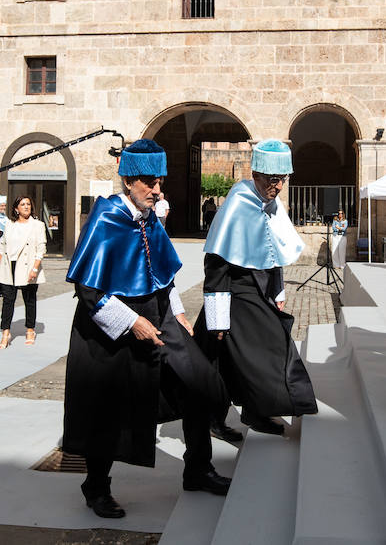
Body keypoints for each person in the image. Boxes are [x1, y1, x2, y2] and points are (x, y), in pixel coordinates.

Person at [62, 139, 230, 519]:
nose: (157, 191)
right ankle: (96, 487)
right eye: (149, 183)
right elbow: (88, 290)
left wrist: (178, 314)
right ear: (128, 182)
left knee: (198, 384)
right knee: (109, 408)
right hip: (111, 327)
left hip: (159, 318)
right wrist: (131, 322)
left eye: (160, 183)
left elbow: (161, 276)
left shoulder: (151, 219)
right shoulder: (104, 219)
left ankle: (198, 468)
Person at [198, 139, 317, 435]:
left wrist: (278, 291)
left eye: (282, 180)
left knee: (233, 360)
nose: (276, 187)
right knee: (259, 348)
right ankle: (230, 416)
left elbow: (273, 254)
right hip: (235, 293)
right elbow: (216, 263)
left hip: (258, 289)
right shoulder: (239, 202)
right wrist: (217, 317)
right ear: (257, 174)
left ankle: (256, 410)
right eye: (272, 180)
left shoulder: (271, 204)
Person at [0, 195, 45, 349]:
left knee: (29, 300)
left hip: (28, 267)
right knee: (7, 301)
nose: (26, 207)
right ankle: (5, 332)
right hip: (8, 267)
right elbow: (3, 247)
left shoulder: (38, 225)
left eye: (28, 204)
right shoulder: (10, 224)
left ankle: (30, 330)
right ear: (16, 208)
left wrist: (35, 268)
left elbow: (41, 248)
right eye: (22, 204)